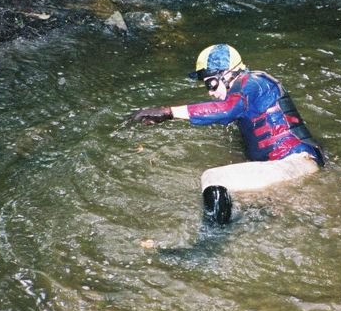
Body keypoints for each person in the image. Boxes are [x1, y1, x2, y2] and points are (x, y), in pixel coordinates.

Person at [131, 43, 324, 224]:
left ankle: (209, 245)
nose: (211, 92)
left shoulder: (254, 82)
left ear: (229, 74)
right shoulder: (250, 93)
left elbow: (226, 109)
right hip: (293, 166)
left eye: (211, 84)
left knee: (214, 179)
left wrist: (168, 112)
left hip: (296, 162)